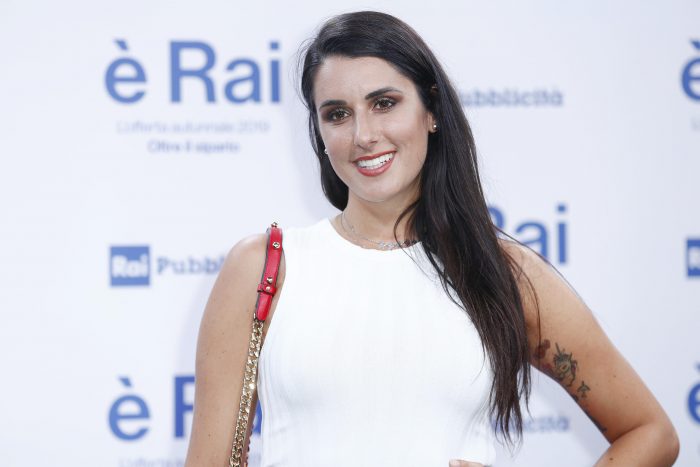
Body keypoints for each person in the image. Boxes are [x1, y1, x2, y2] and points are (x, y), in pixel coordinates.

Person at [184, 11, 679, 467]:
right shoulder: (264, 267)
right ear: (319, 133)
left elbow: (650, 433)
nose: (363, 134)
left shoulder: (503, 273)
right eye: (337, 114)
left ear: (431, 110)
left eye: (384, 103)